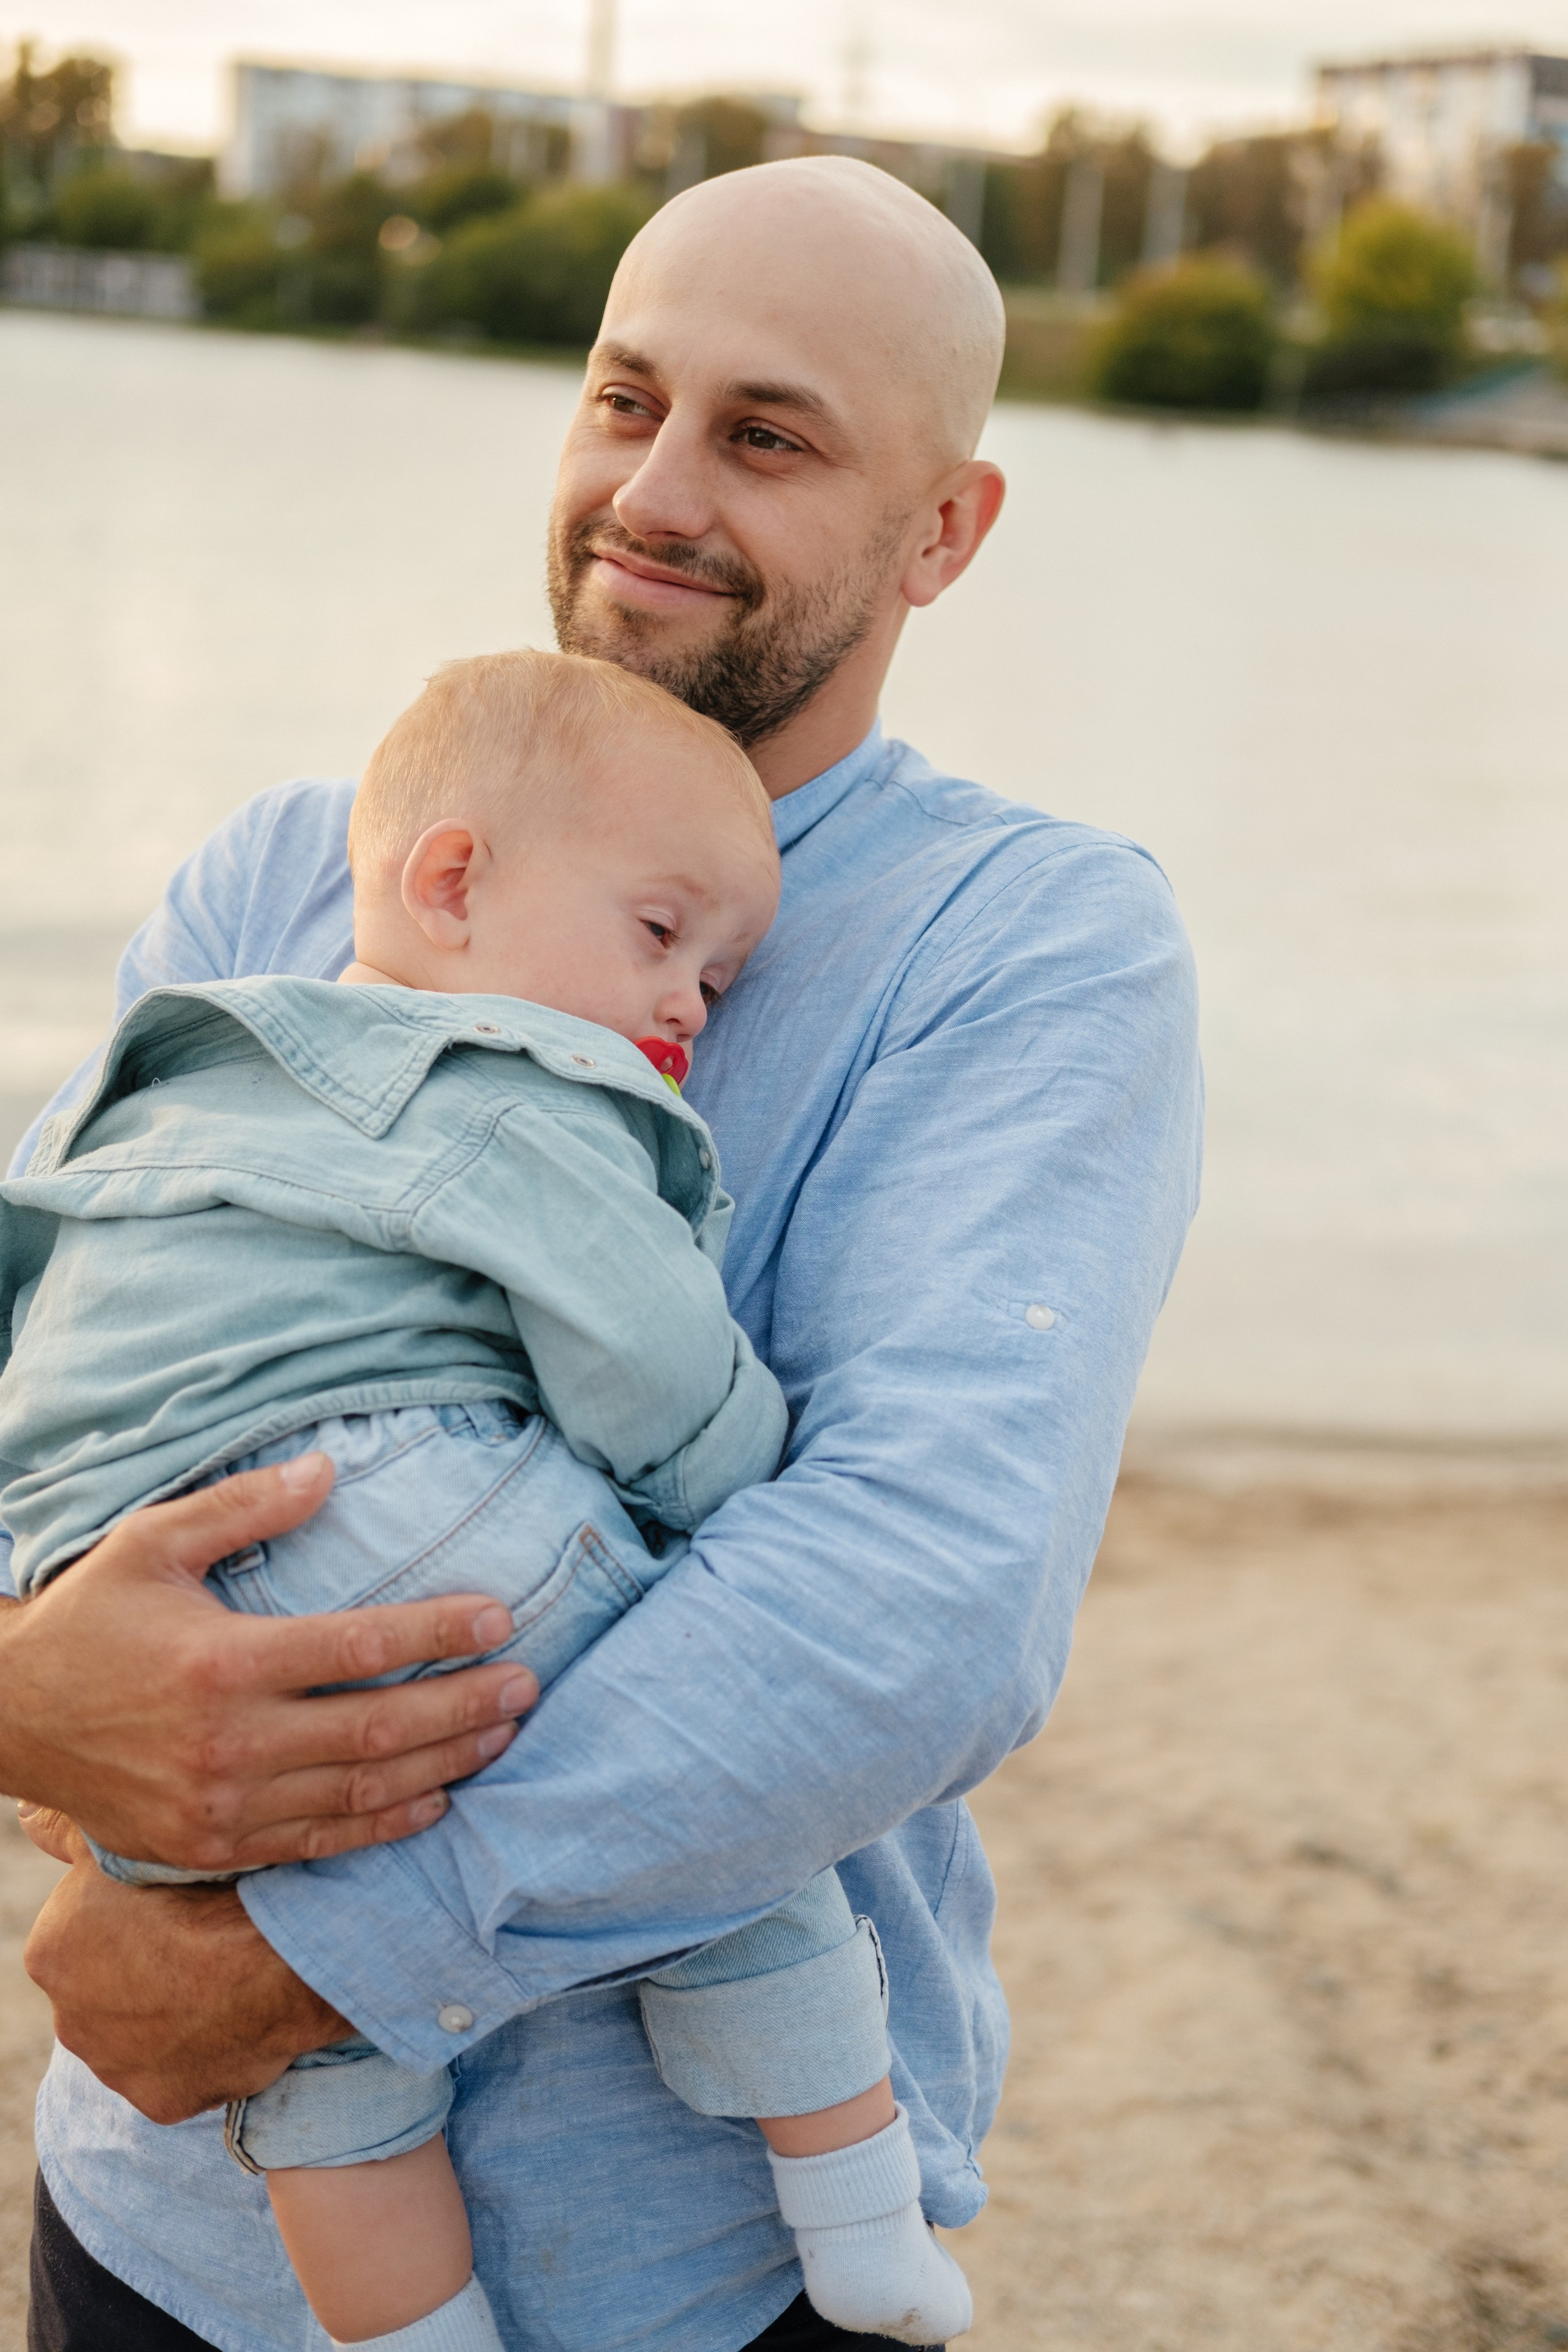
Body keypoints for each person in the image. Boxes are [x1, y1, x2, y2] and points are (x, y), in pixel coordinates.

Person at [13, 156, 1201, 2351]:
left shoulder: (1027, 943)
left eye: (768, 436)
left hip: (679, 2275)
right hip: (159, 2222)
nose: (651, 494)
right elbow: (58, 1338)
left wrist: (309, 1960)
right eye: (624, 399)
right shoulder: (300, 873)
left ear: (944, 531)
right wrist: (21, 1691)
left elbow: (922, 1602)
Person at [2, 647, 970, 2352]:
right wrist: (734, 1478)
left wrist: (44, 1625)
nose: (689, 1008)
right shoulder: (518, 1085)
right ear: (452, 883)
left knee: (311, 2070)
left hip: (141, 1581)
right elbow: (648, 1359)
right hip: (420, 1528)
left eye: (718, 978)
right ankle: (858, 2205)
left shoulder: (164, 1072)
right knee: (728, 1803)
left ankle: (410, 2330)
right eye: (661, 938)